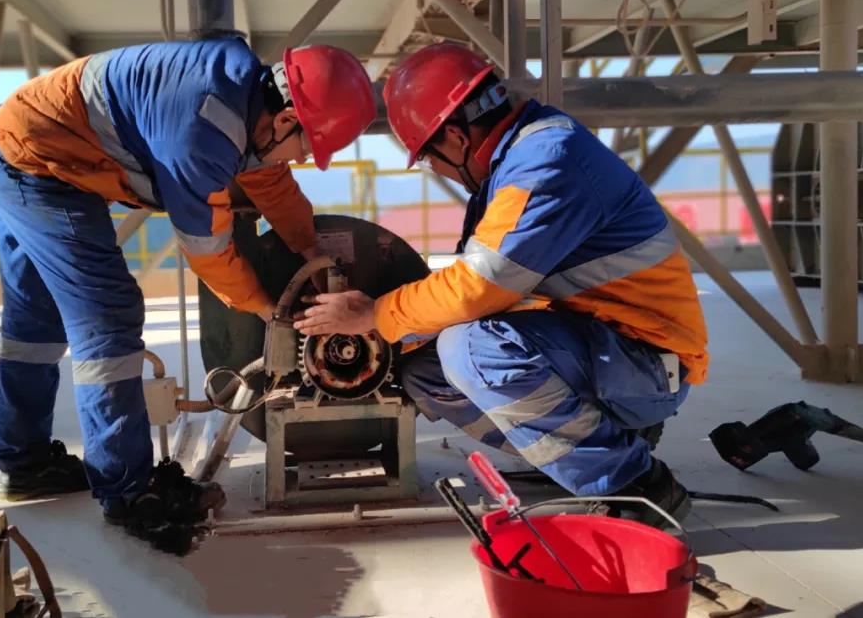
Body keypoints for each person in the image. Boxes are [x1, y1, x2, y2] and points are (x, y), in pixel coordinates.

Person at [0, 36, 376, 541]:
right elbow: (208, 251)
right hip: (39, 164)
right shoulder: (201, 132)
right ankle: (131, 493)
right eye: (306, 149)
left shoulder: (243, 101)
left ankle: (24, 461)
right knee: (107, 314)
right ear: (285, 120)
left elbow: (269, 180)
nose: (299, 159)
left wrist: (310, 252)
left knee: (36, 319)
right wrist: (269, 311)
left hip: (15, 143)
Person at [294, 43, 707, 525]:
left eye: (428, 159)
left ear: (455, 137)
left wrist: (375, 314)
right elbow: (474, 294)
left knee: (471, 350)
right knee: (427, 372)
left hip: (650, 363)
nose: (436, 170)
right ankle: (583, 451)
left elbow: (477, 289)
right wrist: (395, 336)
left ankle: (633, 483)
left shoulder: (546, 163)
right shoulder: (509, 167)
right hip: (605, 347)